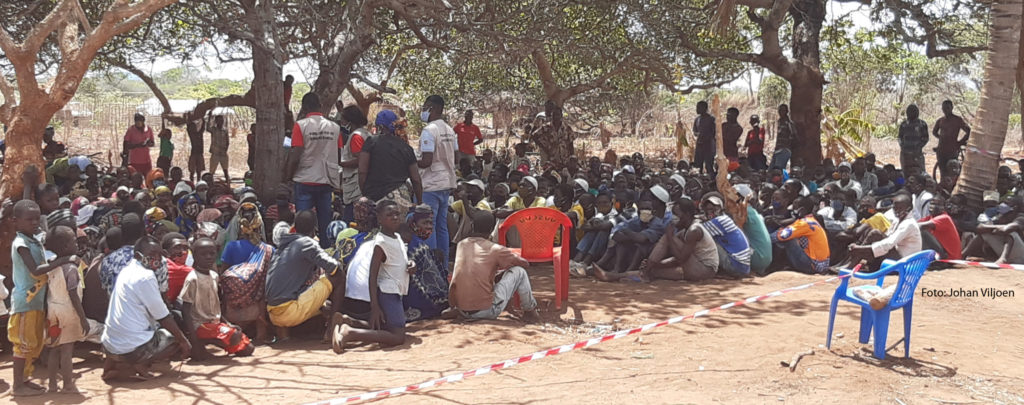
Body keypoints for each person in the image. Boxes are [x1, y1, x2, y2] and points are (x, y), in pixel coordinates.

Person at [9, 200, 76, 396]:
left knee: (34, 343)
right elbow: (36, 270)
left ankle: (25, 379)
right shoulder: (21, 244)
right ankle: (17, 386)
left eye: (36, 218)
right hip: (25, 303)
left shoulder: (34, 240)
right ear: (16, 221)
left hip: (36, 302)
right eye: (29, 219)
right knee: (23, 344)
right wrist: (62, 260)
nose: (34, 222)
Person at [101, 237, 192, 381]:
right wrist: (183, 340)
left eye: (159, 254)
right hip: (131, 346)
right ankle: (139, 365)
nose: (157, 259)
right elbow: (162, 315)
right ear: (138, 255)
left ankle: (112, 366)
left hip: (109, 344)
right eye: (152, 255)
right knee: (173, 338)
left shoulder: (127, 270)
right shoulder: (146, 276)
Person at [331, 201, 413, 353]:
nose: (395, 217)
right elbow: (372, 275)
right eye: (389, 215)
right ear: (379, 219)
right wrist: (375, 306)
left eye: (397, 214)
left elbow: (400, 259)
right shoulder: (380, 243)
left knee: (385, 326)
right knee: (398, 336)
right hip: (388, 292)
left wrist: (410, 264)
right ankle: (350, 333)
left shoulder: (397, 237)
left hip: (395, 291)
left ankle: (350, 322)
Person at [444, 209, 540, 321]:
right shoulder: (495, 249)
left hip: (461, 308)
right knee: (519, 271)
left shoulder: (461, 245)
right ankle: (529, 310)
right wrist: (507, 259)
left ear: (472, 226)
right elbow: (525, 264)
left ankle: (461, 309)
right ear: (491, 230)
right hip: (487, 310)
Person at [265, 210, 346, 339]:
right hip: (289, 311)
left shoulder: (284, 243)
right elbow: (334, 268)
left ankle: (284, 336)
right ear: (314, 229)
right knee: (338, 276)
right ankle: (332, 328)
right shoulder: (307, 243)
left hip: (273, 314)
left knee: (324, 304)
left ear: (295, 228)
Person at [180, 238, 255, 360]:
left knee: (248, 348)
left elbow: (215, 306)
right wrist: (193, 339)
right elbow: (186, 309)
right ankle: (200, 346)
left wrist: (227, 323)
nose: (208, 257)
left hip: (215, 323)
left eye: (212, 253)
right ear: (195, 256)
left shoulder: (214, 276)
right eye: (203, 254)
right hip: (200, 325)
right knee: (233, 335)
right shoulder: (192, 279)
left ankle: (217, 342)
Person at [285, 93, 343, 248]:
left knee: (303, 224)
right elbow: (338, 154)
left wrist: (288, 176)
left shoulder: (300, 126)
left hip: (305, 179)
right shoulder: (335, 127)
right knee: (325, 223)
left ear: (304, 108)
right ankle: (325, 252)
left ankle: (303, 251)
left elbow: (296, 154)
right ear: (320, 106)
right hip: (326, 180)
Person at [44, 226, 90, 394]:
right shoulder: (71, 268)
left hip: (53, 310)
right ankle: (68, 385)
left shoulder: (52, 265)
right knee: (67, 350)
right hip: (68, 311)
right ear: (65, 247)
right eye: (74, 242)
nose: (77, 245)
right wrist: (83, 318)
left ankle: (52, 385)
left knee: (54, 349)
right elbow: (73, 294)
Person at [417, 95, 458, 269]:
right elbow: (456, 157)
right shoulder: (450, 130)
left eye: (425, 107)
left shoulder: (429, 130)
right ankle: (443, 267)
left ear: (432, 109)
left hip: (431, 184)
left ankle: (431, 267)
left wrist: (410, 161)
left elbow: (426, 161)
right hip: (446, 183)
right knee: (441, 226)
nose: (423, 111)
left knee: (428, 225)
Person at [359, 110, 423, 211]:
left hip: (375, 197)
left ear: (380, 127)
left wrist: (365, 194)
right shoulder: (406, 147)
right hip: (401, 198)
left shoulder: (371, 142)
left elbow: (362, 172)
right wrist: (420, 203)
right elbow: (416, 179)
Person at [845, 194, 922, 269]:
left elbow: (889, 243)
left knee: (875, 234)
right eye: (895, 208)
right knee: (871, 231)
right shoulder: (897, 221)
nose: (897, 211)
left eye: (900, 208)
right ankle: (851, 262)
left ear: (909, 208)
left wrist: (861, 248)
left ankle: (851, 264)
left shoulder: (909, 224)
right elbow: (887, 237)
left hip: (905, 262)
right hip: (896, 256)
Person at [771, 197, 830, 274]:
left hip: (813, 266)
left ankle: (774, 265)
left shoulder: (804, 223)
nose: (793, 210)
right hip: (820, 264)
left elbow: (781, 236)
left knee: (788, 239)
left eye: (795, 208)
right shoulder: (811, 220)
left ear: (802, 210)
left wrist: (765, 238)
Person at [700, 194, 752, 278]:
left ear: (721, 209)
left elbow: (698, 231)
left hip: (736, 266)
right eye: (708, 210)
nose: (711, 212)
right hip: (742, 266)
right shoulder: (725, 218)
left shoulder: (720, 220)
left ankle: (707, 269)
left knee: (706, 241)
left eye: (714, 209)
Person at [338, 105, 372, 222]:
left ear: (349, 121)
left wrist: (342, 164)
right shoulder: (366, 134)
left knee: (351, 217)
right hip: (363, 182)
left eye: (343, 119)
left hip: (355, 184)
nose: (341, 122)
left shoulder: (356, 137)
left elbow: (361, 160)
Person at [530, 102, 575, 170]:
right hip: (550, 158)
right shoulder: (546, 128)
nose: (556, 117)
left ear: (561, 116)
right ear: (551, 116)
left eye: (558, 115)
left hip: (564, 159)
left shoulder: (567, 128)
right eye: (554, 115)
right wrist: (543, 147)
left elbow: (571, 143)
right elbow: (534, 135)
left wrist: (572, 156)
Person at [933, 100, 971, 180]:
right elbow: (934, 132)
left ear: (952, 108)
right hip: (941, 150)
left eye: (947, 108)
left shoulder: (957, 120)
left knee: (952, 171)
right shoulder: (940, 120)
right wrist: (941, 138)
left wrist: (960, 142)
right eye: (944, 108)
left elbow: (968, 131)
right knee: (943, 172)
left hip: (952, 150)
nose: (945, 110)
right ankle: (943, 185)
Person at [918, 195, 962, 260]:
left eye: (937, 204)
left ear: (943, 207)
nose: (933, 206)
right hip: (941, 252)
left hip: (949, 258)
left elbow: (920, 226)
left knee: (923, 232)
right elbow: (914, 223)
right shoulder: (929, 218)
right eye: (932, 203)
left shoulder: (945, 218)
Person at [898, 104, 929, 176]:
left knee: (920, 172)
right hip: (905, 153)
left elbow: (925, 138)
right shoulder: (904, 124)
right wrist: (903, 146)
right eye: (909, 111)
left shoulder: (922, 124)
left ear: (917, 112)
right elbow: (900, 137)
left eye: (914, 111)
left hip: (917, 154)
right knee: (905, 172)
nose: (911, 113)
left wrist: (918, 147)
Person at [692, 101, 716, 175]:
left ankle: (711, 179)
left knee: (709, 165)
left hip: (709, 145)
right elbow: (695, 131)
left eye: (698, 107)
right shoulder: (697, 119)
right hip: (699, 145)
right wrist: (698, 135)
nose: (697, 109)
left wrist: (705, 136)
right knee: (697, 166)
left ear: (705, 108)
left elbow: (714, 133)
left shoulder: (711, 119)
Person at [770, 104, 796, 170]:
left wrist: (788, 145)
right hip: (777, 150)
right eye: (779, 110)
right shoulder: (779, 121)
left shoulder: (789, 123)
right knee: (770, 171)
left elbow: (794, 135)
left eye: (782, 110)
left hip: (784, 150)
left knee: (777, 170)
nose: (780, 112)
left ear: (786, 111)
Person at [207, 115, 230, 181]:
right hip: (215, 152)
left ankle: (227, 182)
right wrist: (209, 118)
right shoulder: (213, 129)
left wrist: (225, 150)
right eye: (219, 120)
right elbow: (207, 128)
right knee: (212, 171)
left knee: (225, 170)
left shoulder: (225, 130)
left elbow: (227, 141)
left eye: (222, 120)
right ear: (216, 121)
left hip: (223, 153)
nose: (221, 122)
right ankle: (210, 182)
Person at [186, 116, 206, 182]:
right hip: (194, 154)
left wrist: (203, 119)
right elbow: (188, 127)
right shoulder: (192, 134)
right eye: (192, 127)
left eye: (194, 127)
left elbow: (203, 127)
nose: (194, 128)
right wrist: (188, 118)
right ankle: (192, 183)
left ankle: (198, 182)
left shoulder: (199, 133)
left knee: (199, 171)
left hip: (199, 154)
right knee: (192, 171)